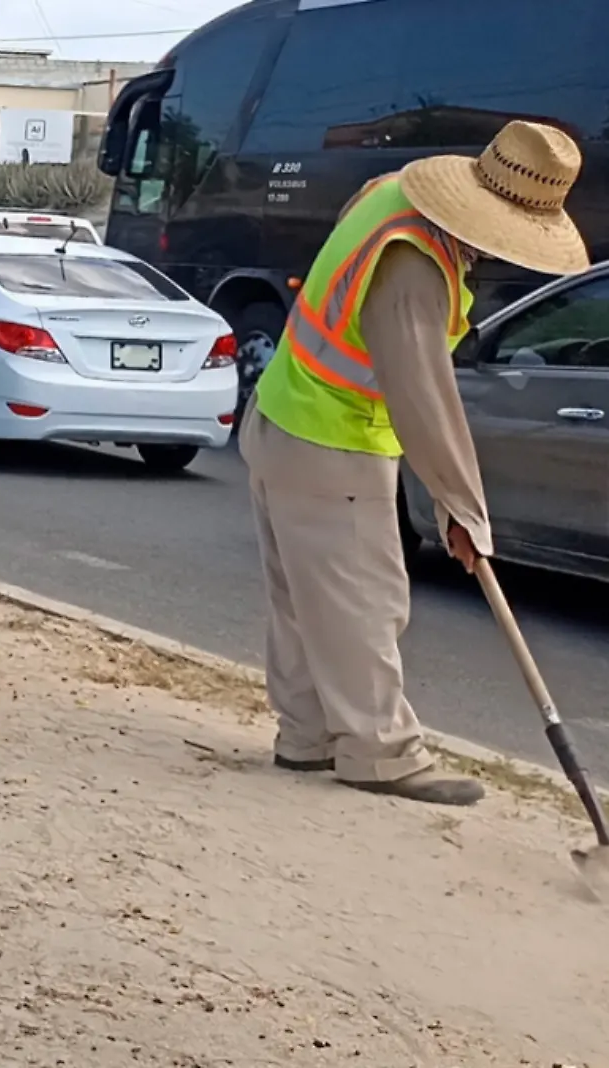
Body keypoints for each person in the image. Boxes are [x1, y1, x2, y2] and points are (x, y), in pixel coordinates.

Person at [242, 120, 589, 806]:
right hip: (333, 441)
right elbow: (423, 396)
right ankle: (379, 753)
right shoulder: (414, 264)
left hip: (282, 417)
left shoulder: (389, 194)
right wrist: (462, 506)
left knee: (307, 602)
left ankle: (307, 737)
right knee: (366, 603)